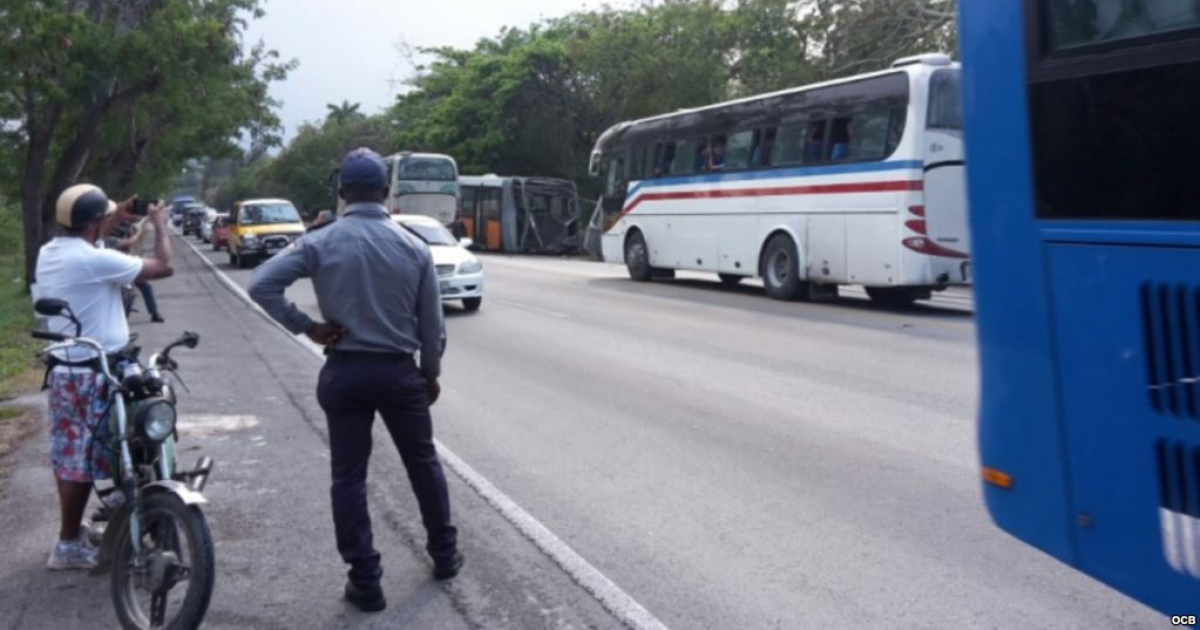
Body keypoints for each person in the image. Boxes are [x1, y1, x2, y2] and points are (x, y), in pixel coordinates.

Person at [249, 148, 461, 613]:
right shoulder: (413, 246)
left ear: (342, 193)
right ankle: (444, 555)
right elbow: (433, 326)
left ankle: (365, 580)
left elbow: (261, 285)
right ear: (386, 192)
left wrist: (308, 326)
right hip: (400, 372)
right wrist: (430, 374)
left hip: (345, 371)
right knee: (422, 463)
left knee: (348, 477)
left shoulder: (320, 241)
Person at [33, 185, 174, 570]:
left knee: (72, 458)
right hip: (92, 374)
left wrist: (116, 216)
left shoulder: (52, 251)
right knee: (80, 463)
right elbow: (164, 266)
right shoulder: (92, 261)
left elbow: (88, 239)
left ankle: (74, 534)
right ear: (94, 224)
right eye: (103, 219)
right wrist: (160, 225)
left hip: (71, 370)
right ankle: (67, 546)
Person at [111, 217, 164, 322]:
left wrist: (137, 230)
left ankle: (154, 312)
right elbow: (129, 242)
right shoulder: (109, 235)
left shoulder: (126, 228)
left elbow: (133, 242)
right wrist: (137, 232)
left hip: (127, 263)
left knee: (146, 287)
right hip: (113, 266)